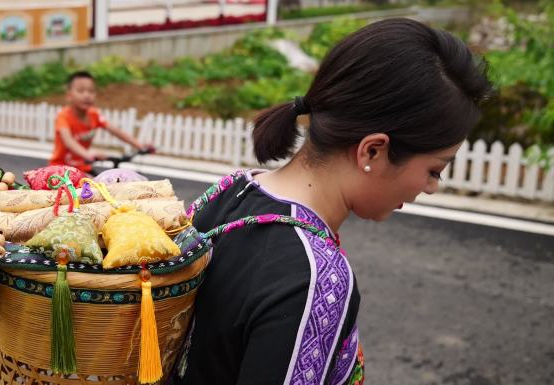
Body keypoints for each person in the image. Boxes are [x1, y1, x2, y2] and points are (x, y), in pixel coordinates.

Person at [171, 18, 491, 385]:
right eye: (434, 170)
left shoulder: (227, 191)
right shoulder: (318, 279)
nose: (431, 187)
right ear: (373, 150)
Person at [48, 71, 152, 173]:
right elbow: (68, 141)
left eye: (91, 91)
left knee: (104, 185)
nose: (87, 95)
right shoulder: (63, 116)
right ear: (69, 95)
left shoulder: (94, 115)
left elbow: (116, 131)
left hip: (83, 166)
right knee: (94, 187)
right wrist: (87, 154)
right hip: (61, 169)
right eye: (80, 91)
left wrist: (139, 145)